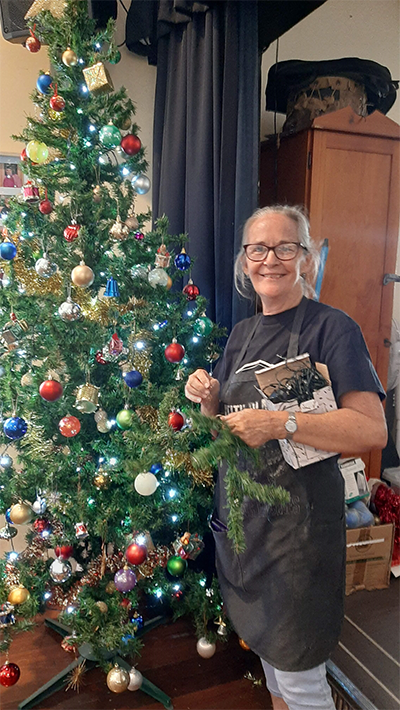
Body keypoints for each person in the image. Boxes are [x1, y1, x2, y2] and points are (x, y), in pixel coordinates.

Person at [185, 205, 387, 710]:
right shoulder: (241, 335)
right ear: (244, 260)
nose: (270, 259)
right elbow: (228, 433)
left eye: (285, 247)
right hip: (244, 528)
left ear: (305, 257)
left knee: (300, 675)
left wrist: (281, 422)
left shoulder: (332, 329)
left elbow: (371, 430)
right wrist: (210, 404)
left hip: (299, 537)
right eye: (258, 248)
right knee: (273, 667)